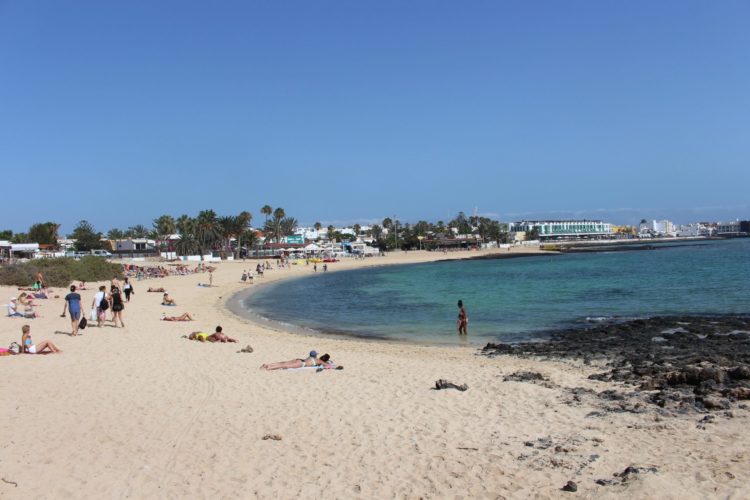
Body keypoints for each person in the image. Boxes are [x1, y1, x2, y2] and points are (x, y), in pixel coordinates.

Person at [260, 351, 337, 370]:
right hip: (302, 364)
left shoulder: (310, 357)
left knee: (284, 362)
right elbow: (328, 365)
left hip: (299, 359)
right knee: (285, 366)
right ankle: (269, 368)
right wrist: (329, 364)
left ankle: (268, 364)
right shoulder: (318, 361)